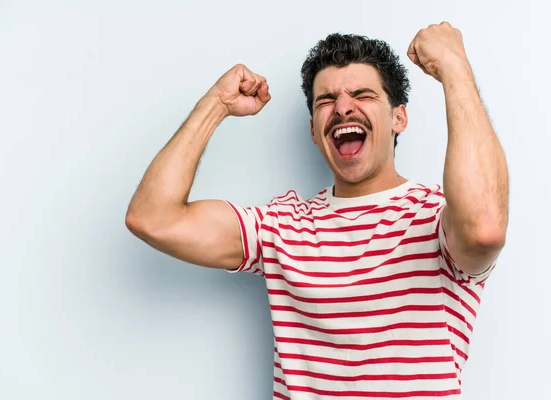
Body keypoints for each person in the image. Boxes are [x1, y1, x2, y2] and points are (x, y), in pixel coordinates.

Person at [126, 21, 509, 399]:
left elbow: (485, 227)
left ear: (398, 118)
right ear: (313, 130)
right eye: (326, 101)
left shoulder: (437, 219)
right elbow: (153, 218)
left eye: (363, 94)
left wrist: (455, 67)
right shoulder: (282, 225)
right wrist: (215, 105)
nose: (343, 108)